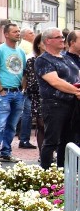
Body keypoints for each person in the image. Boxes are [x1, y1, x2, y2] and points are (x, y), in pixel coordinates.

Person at [34, 27, 80, 169]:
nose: (62, 39)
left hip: (72, 105)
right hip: (55, 105)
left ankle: (63, 172)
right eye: (58, 37)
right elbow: (55, 81)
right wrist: (76, 92)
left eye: (62, 37)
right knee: (51, 141)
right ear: (48, 41)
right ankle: (46, 172)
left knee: (68, 142)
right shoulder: (43, 60)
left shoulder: (66, 58)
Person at [0, 23, 26, 163]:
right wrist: (0, 90)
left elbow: (24, 72)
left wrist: (23, 89)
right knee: (0, 124)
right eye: (15, 31)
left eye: (19, 31)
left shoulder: (21, 52)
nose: (18, 33)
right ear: (7, 34)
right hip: (4, 93)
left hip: (17, 93)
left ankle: (6, 152)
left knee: (12, 125)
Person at [21, 34, 45, 152]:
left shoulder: (58, 59)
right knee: (41, 126)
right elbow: (31, 82)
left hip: (55, 99)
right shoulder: (32, 60)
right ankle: (44, 156)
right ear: (38, 45)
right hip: (38, 97)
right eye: (43, 42)